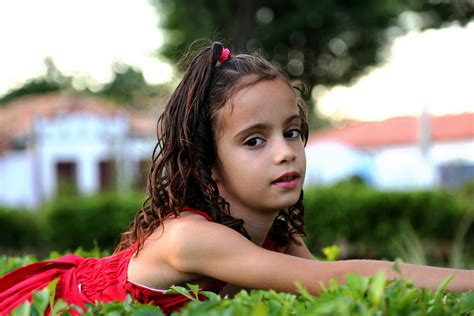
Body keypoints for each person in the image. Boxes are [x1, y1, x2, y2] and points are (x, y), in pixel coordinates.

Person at [0, 42, 472, 315]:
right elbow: (338, 276)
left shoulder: (274, 234)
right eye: (254, 141)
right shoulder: (190, 237)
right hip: (45, 302)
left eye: (292, 131)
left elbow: (331, 292)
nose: (286, 152)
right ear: (207, 163)